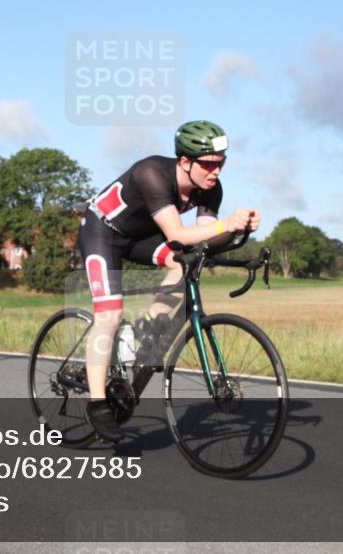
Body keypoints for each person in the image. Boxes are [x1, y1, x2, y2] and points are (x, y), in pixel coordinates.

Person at [79, 120, 261, 442]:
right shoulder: (152, 173)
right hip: (102, 233)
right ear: (185, 161)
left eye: (221, 163)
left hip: (140, 237)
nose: (216, 171)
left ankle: (146, 327)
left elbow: (202, 241)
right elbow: (177, 233)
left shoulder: (211, 188)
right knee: (109, 315)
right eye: (208, 164)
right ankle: (96, 404)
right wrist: (226, 225)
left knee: (184, 263)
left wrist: (238, 230)